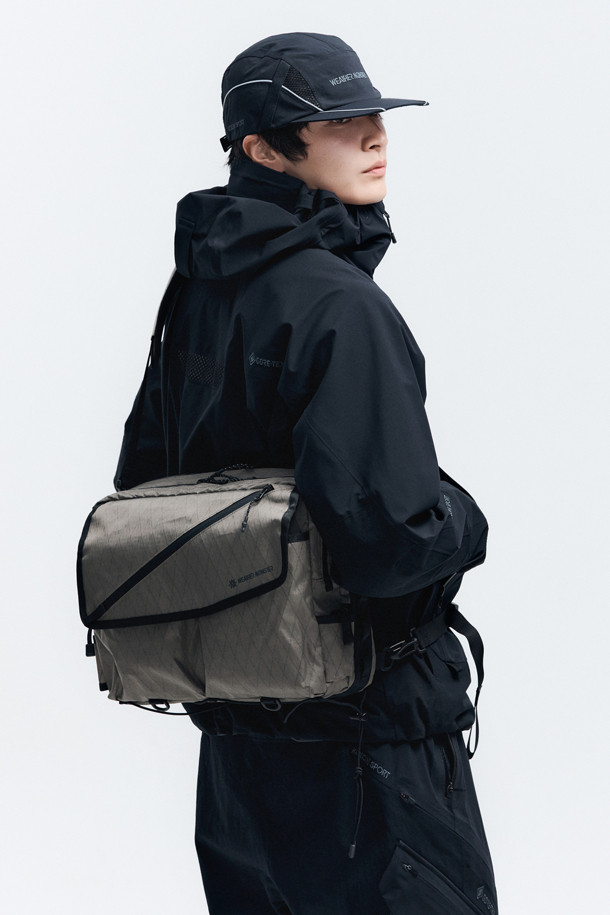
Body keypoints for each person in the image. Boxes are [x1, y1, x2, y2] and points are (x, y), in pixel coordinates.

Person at [115, 32, 498, 915]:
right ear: (260, 148)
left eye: (373, 115)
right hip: (369, 744)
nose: (374, 135)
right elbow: (392, 543)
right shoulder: (338, 306)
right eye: (336, 121)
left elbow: (143, 482)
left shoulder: (195, 294)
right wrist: (467, 517)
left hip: (240, 740)